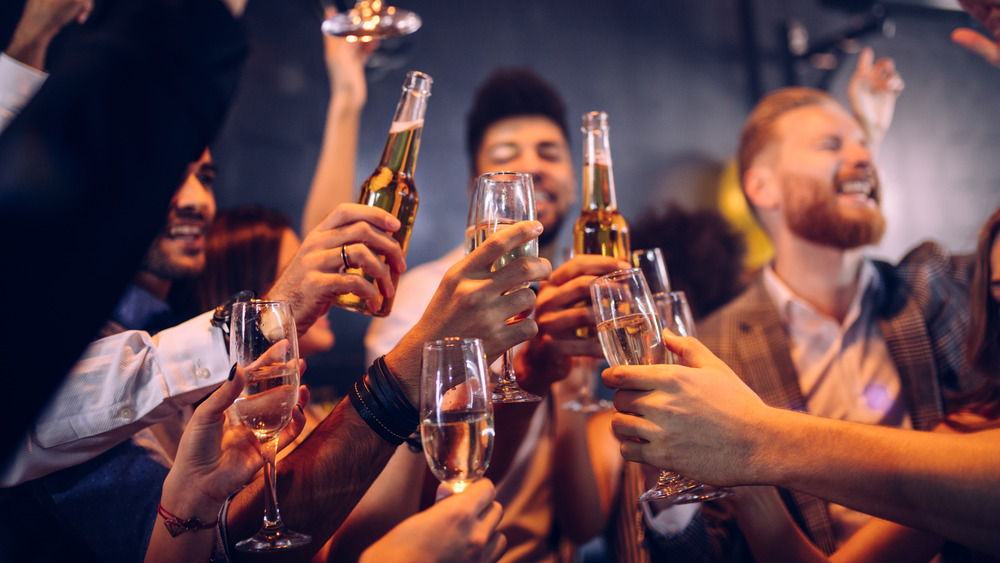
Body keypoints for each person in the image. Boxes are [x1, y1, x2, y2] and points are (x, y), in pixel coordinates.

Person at [609, 79, 982, 561]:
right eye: (831, 144)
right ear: (761, 186)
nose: (864, 157)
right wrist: (669, 496)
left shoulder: (933, 286)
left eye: (865, 144)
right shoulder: (715, 346)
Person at [601, 205, 1000, 556]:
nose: (858, 154)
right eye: (998, 291)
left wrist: (754, 438)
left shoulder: (927, 289)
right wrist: (732, 471)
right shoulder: (969, 428)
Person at [357, 67, 625, 563]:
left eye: (549, 153)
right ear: (474, 188)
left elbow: (582, 521)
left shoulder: (572, 302)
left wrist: (564, 383)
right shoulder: (422, 302)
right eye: (507, 158)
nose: (531, 169)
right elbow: (403, 520)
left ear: (573, 174)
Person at [0, 0, 248, 462]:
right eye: (171, 173)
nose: (196, 201)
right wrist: (259, 323)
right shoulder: (72, 332)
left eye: (207, 178)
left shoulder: (172, 315)